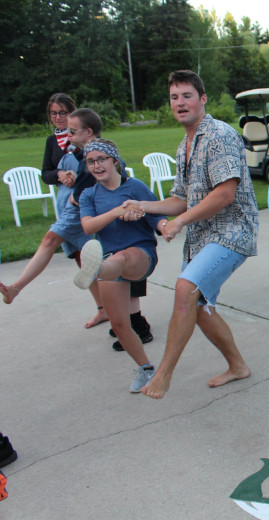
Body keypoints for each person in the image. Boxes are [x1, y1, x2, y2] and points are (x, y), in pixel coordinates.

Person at [123, 70, 258, 399]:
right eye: (174, 97)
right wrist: (144, 204)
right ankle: (238, 365)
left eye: (186, 95)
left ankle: (163, 374)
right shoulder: (184, 144)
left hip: (232, 231)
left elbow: (225, 193)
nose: (180, 103)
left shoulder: (219, 135)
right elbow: (181, 198)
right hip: (203, 237)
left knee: (186, 289)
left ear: (202, 99)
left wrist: (181, 221)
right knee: (198, 307)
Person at [1, 107, 152, 346]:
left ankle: (134, 323)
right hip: (91, 215)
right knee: (101, 262)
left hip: (91, 215)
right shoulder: (83, 156)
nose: (68, 136)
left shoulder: (103, 161)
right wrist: (65, 177)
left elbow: (115, 187)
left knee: (119, 263)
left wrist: (163, 223)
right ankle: (119, 318)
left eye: (72, 131)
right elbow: (53, 174)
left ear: (89, 132)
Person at [72, 138, 165, 392]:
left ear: (115, 160)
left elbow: (156, 213)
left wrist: (164, 227)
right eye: (90, 161)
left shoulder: (134, 186)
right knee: (120, 325)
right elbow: (88, 226)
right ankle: (147, 370)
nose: (96, 165)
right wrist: (118, 211)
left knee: (121, 258)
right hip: (110, 257)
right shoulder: (88, 194)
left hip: (140, 254)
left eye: (102, 159)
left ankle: (95, 271)